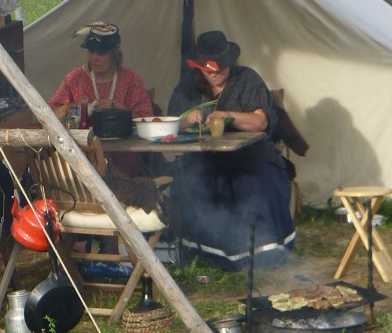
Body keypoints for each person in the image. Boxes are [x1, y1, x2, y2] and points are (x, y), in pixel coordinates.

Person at [168, 30, 295, 270]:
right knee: (194, 181)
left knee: (257, 182)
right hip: (205, 159)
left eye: (220, 67)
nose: (215, 72)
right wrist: (186, 120)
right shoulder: (188, 86)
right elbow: (170, 122)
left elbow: (260, 122)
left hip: (250, 157)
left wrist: (228, 116)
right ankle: (204, 253)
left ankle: (259, 254)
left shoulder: (247, 79)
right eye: (208, 68)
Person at [48, 20, 154, 123]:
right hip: (82, 140)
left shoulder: (131, 79)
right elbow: (47, 114)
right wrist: (68, 107)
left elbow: (148, 122)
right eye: (91, 51)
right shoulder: (76, 78)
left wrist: (121, 110)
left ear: (115, 54)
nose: (95, 58)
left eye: (101, 53)